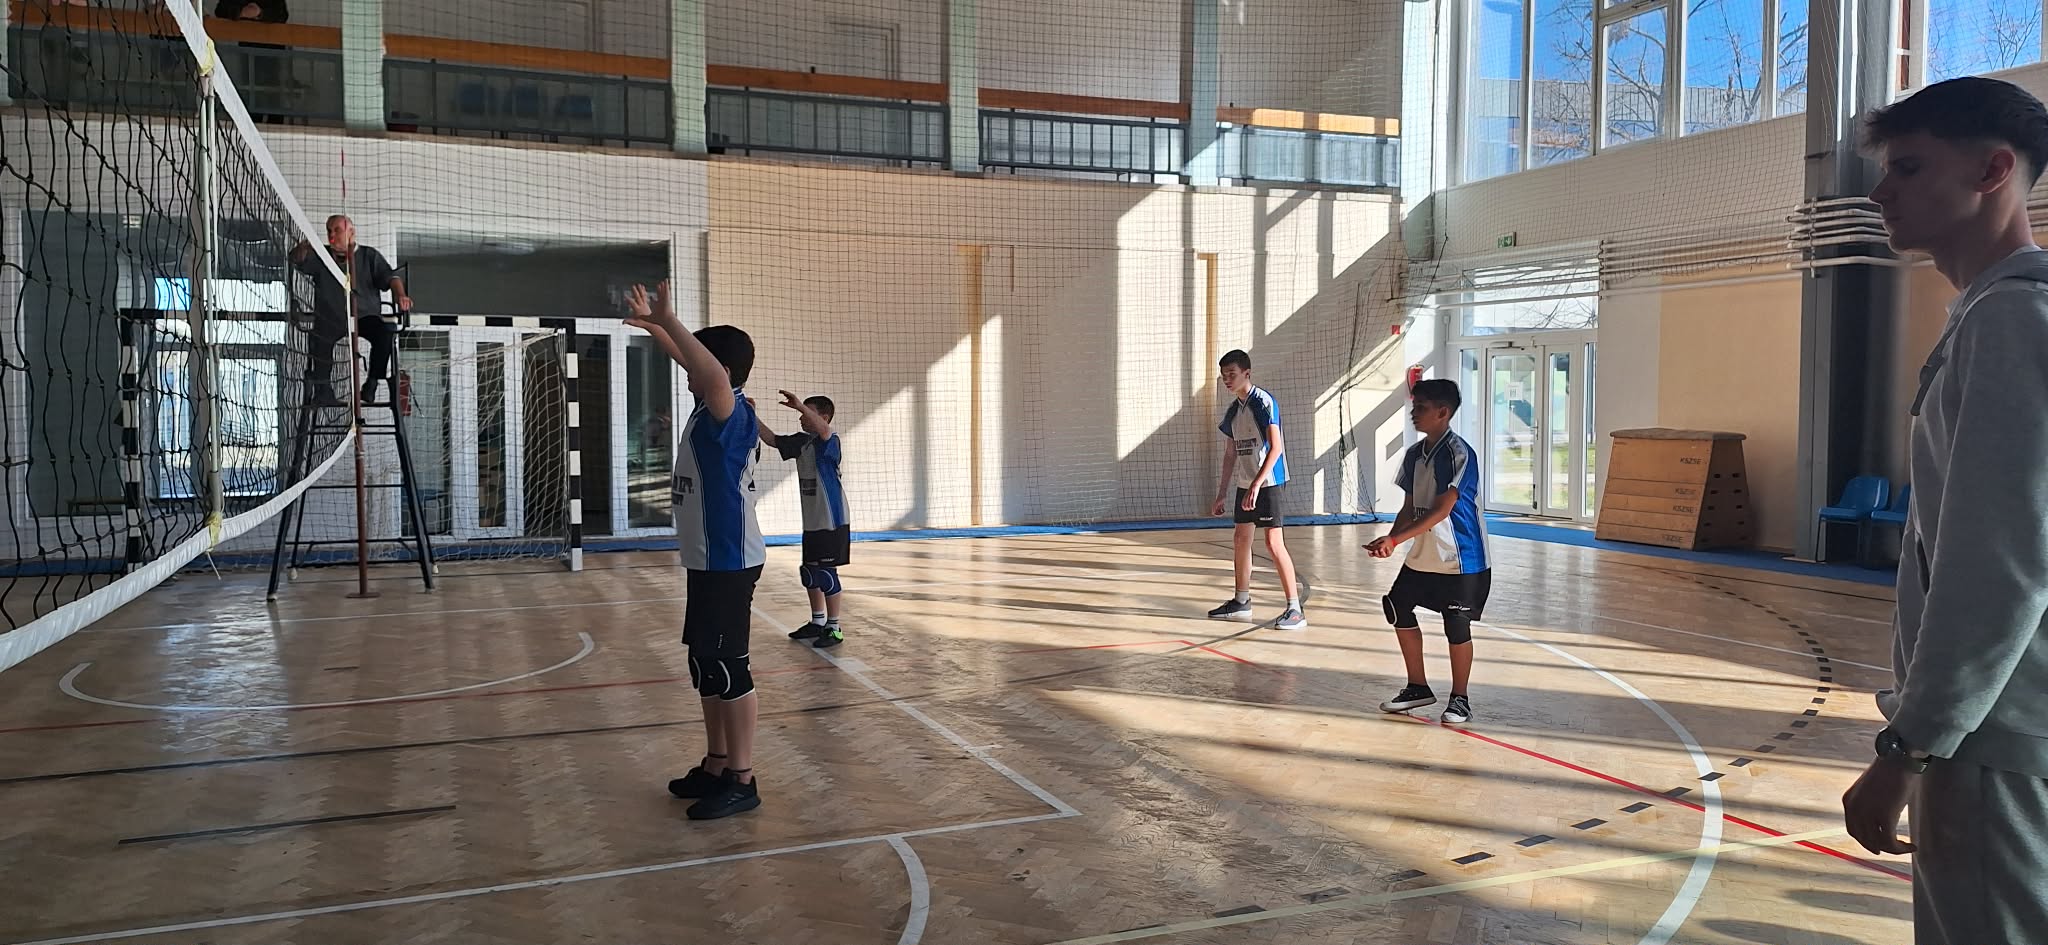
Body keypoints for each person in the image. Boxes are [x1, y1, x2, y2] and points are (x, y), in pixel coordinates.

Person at [1844, 75, 2048, 942]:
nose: (1880, 192)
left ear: (1993, 170)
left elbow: (1998, 567)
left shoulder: (2013, 320)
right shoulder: (1990, 316)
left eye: (1909, 167)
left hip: (1996, 740)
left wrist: (1908, 746)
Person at [624, 281, 766, 821]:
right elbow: (699, 365)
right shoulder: (708, 410)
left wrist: (670, 320)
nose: (688, 370)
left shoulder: (729, 411)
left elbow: (710, 373)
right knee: (704, 664)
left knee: (729, 668)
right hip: (706, 560)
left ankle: (743, 780)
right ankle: (716, 763)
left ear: (720, 372)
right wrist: (655, 328)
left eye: (698, 363)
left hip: (730, 561)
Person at [1366, 379, 1490, 725]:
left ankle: (1460, 699)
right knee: (1397, 605)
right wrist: (1391, 538)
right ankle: (1417, 687)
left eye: (1420, 407)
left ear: (1443, 412)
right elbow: (1410, 507)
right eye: (1414, 406)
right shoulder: (1413, 455)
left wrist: (1395, 541)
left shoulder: (1459, 454)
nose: (1413, 413)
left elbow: (1441, 510)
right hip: (1425, 554)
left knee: (1456, 624)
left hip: (1461, 557)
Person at [1206, 349, 1306, 630]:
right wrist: (1222, 492)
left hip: (1269, 481)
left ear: (1246, 373)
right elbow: (1230, 454)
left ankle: (1295, 609)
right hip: (1245, 482)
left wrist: (1257, 484)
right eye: (1224, 376)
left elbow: (1276, 448)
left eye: (1232, 374)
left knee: (1273, 542)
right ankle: (1242, 601)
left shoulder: (1263, 402)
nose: (1227, 380)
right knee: (1241, 539)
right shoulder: (1233, 411)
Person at [756, 392, 851, 648]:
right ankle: (817, 621)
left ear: (824, 417)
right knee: (809, 572)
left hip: (831, 519)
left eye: (806, 413)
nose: (801, 418)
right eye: (800, 413)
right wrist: (749, 414)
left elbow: (825, 430)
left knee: (827, 574)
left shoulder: (830, 441)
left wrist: (799, 405)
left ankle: (834, 627)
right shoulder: (802, 442)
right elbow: (771, 439)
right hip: (812, 520)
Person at [290, 215, 408, 407]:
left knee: (385, 334)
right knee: (319, 339)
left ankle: (372, 383)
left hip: (365, 316)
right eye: (329, 231)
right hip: (332, 318)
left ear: (351, 232)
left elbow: (391, 278)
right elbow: (296, 260)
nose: (332, 235)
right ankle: (323, 390)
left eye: (337, 230)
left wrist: (401, 295)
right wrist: (301, 250)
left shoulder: (369, 255)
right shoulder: (321, 255)